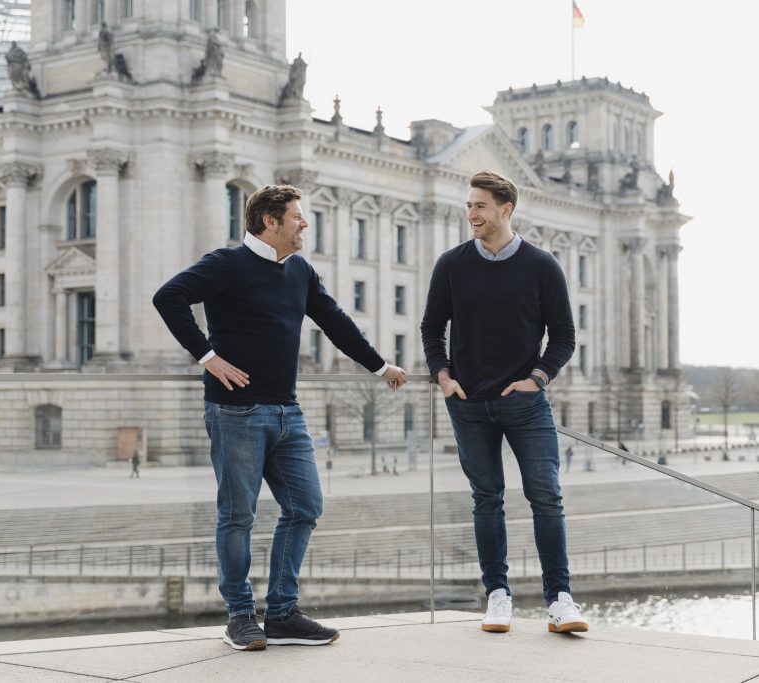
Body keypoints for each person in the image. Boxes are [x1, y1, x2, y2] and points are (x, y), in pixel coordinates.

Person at [154, 184, 406, 652]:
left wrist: (380, 367)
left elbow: (334, 321)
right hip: (236, 412)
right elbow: (168, 297)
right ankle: (239, 617)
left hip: (288, 411)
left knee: (305, 506)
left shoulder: (299, 270)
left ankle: (284, 613)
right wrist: (207, 357)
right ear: (270, 221)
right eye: (297, 217)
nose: (304, 224)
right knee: (237, 516)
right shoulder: (226, 264)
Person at [421, 170, 588, 636]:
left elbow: (565, 337)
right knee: (486, 500)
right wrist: (443, 376)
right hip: (468, 404)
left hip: (525, 403)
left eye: (479, 206)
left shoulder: (541, 265)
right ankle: (497, 596)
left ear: (505, 210)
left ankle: (560, 600)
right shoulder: (450, 265)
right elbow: (431, 329)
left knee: (546, 498)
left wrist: (537, 378)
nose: (470, 213)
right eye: (468, 205)